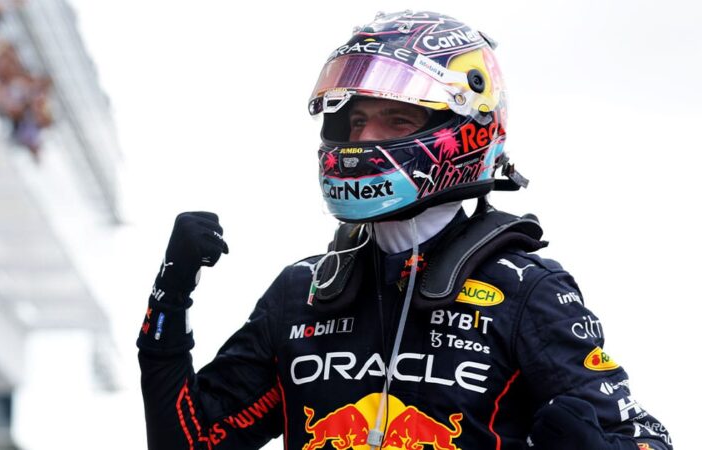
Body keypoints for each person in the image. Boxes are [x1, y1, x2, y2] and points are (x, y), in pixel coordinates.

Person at [137, 11, 672, 450]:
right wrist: (169, 300)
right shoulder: (301, 293)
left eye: (396, 121)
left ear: (464, 131)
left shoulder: (527, 290)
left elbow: (646, 439)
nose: (363, 139)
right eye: (354, 122)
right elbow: (190, 441)